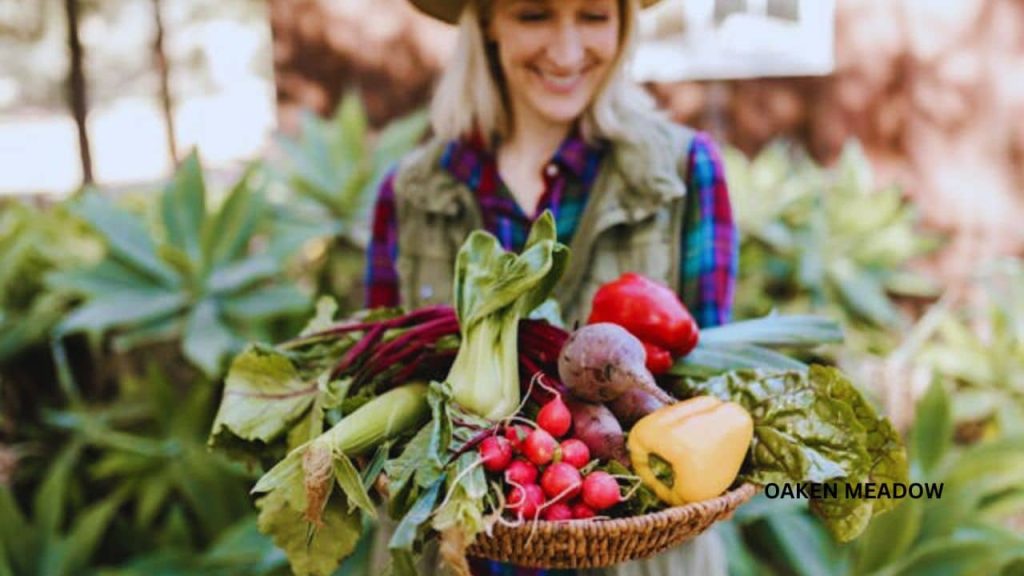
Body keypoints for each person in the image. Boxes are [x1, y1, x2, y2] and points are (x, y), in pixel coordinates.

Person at [365, 0, 738, 574]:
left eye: (592, 15)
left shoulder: (686, 172)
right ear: (488, 23)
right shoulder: (409, 191)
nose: (566, 51)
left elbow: (706, 397)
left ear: (622, 23)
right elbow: (380, 388)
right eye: (534, 15)